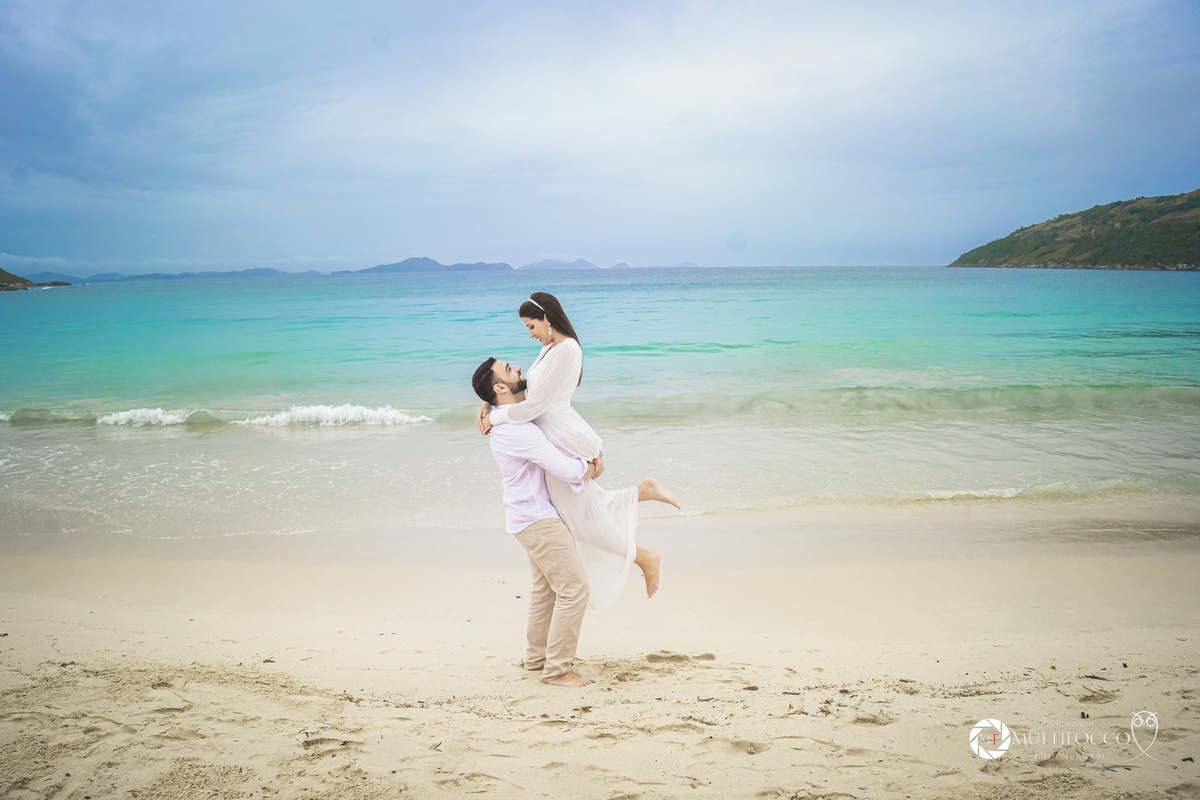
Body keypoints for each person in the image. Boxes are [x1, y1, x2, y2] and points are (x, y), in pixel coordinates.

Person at [475, 292, 679, 608]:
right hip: (556, 434)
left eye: (531, 326)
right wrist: (488, 403)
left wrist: (498, 416)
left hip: (562, 436)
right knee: (586, 508)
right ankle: (642, 492)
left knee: (581, 521)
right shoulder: (550, 349)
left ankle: (645, 558)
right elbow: (524, 387)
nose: (530, 334)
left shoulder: (566, 351)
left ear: (547, 319)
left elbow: (534, 406)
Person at [472, 356, 598, 687]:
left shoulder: (505, 418)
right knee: (574, 589)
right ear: (501, 387)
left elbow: (527, 401)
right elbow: (563, 467)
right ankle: (557, 669)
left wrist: (486, 405)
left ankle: (537, 658)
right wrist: (590, 467)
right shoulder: (517, 431)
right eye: (510, 369)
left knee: (545, 590)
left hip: (525, 516)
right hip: (537, 520)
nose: (518, 369)